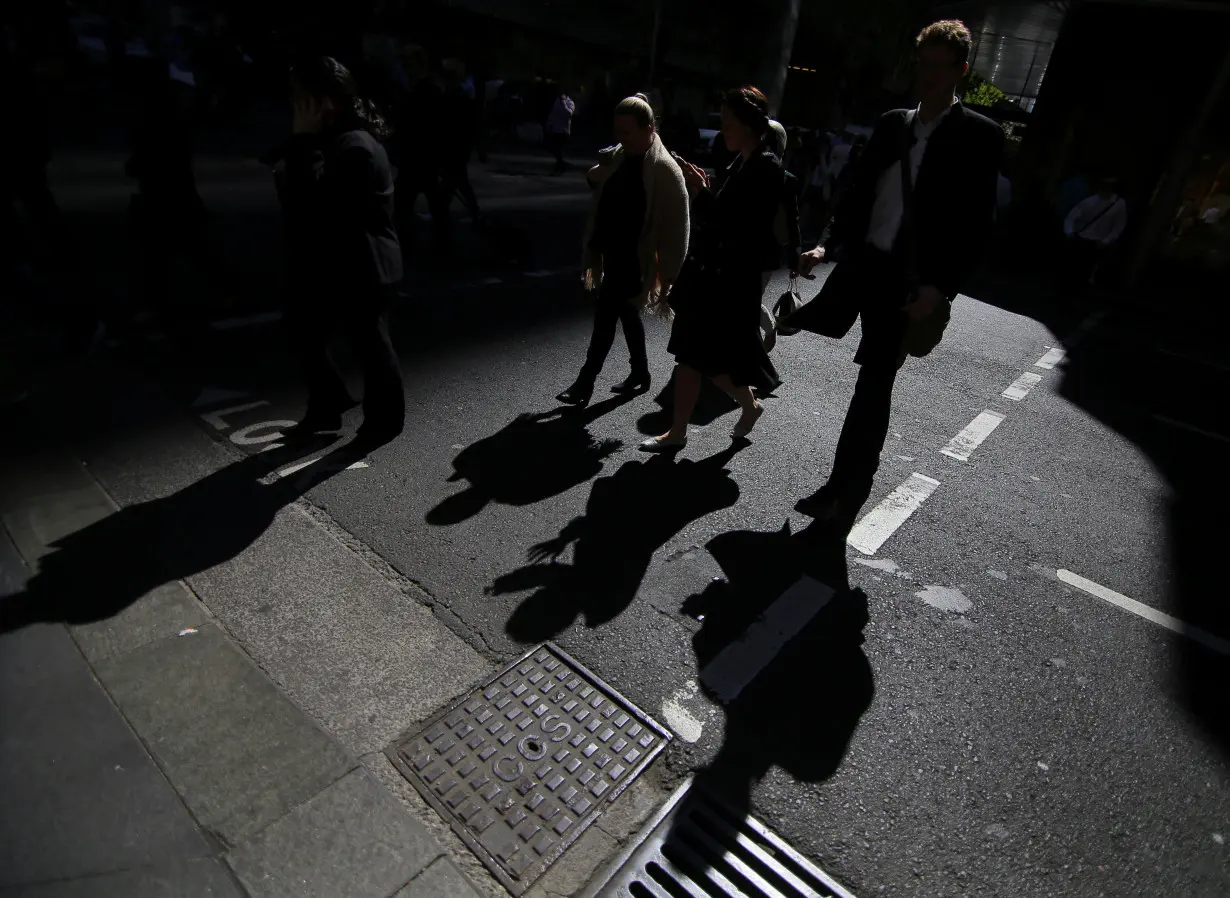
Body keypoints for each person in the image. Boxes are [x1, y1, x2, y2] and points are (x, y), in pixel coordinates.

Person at [790, 20, 1003, 526]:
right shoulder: (893, 124)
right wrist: (825, 244)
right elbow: (859, 190)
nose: (926, 76)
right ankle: (775, 337)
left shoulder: (978, 136)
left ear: (961, 71)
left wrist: (939, 287)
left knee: (873, 384)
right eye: (922, 64)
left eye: (938, 66)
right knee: (810, 325)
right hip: (862, 265)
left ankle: (845, 488)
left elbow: (976, 225)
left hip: (907, 285)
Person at [640, 86, 786, 453]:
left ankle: (680, 432)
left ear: (749, 125)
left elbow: (738, 229)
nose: (723, 130)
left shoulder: (765, 167)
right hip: (715, 277)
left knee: (695, 358)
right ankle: (745, 407)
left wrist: (702, 194)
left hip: (727, 281)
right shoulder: (746, 161)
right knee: (699, 359)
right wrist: (705, 191)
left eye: (728, 122)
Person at [275, 56, 405, 441]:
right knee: (304, 332)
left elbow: (315, 203)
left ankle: (383, 421)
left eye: (302, 98)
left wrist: (300, 143)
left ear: (325, 101)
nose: (295, 107)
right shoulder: (335, 139)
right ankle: (328, 404)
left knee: (371, 347)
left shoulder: (354, 146)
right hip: (336, 262)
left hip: (362, 265)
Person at [557, 93, 690, 406]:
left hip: (638, 258)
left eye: (628, 133)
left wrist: (668, 275)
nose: (621, 139)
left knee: (605, 319)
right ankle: (640, 373)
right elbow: (600, 183)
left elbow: (677, 227)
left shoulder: (664, 169)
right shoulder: (618, 156)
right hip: (610, 252)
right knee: (627, 314)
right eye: (618, 132)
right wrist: (595, 176)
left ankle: (585, 384)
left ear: (648, 129)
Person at [1060, 177, 1126, 297]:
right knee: (1072, 270)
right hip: (1081, 239)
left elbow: (1118, 226)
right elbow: (1072, 216)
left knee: (1086, 271)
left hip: (1096, 243)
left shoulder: (1118, 204)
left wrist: (1105, 241)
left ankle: (1076, 296)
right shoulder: (1090, 201)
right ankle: (1066, 295)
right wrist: (1069, 233)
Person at [545, 89, 575, 175]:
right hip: (556, 129)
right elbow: (553, 113)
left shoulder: (570, 103)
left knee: (559, 149)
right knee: (553, 148)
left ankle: (559, 167)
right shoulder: (556, 102)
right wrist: (549, 123)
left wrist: (564, 104)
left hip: (564, 130)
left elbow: (569, 114)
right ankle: (561, 165)